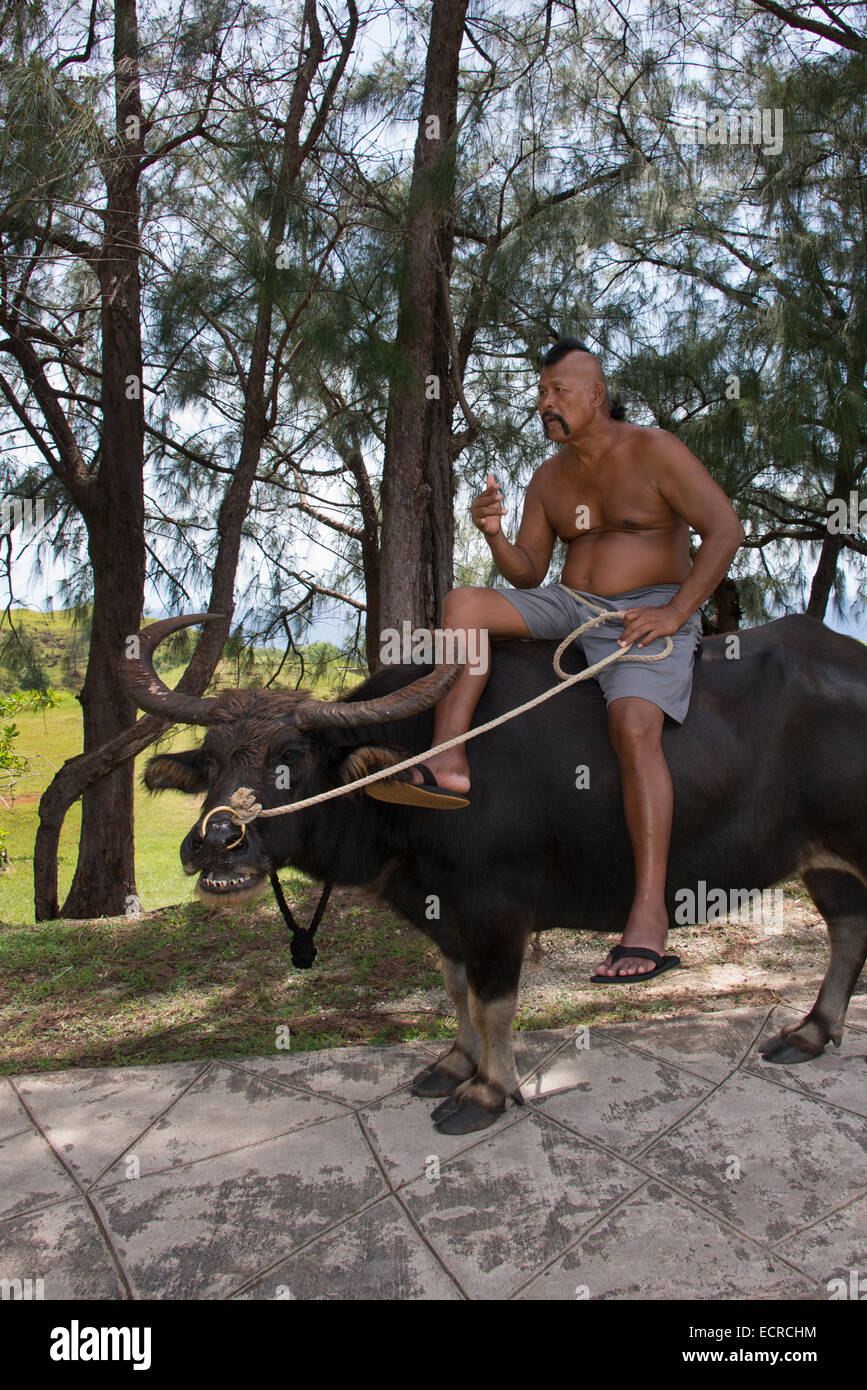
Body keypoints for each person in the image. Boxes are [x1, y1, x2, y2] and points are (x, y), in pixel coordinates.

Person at [368, 338, 745, 981]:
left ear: (595, 394)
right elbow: (527, 573)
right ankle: (447, 762)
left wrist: (676, 614)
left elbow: (725, 529)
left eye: (558, 392)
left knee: (633, 726)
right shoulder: (549, 476)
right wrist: (493, 535)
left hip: (643, 611)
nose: (545, 404)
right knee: (463, 603)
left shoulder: (655, 452)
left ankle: (649, 915)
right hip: (570, 602)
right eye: (541, 393)